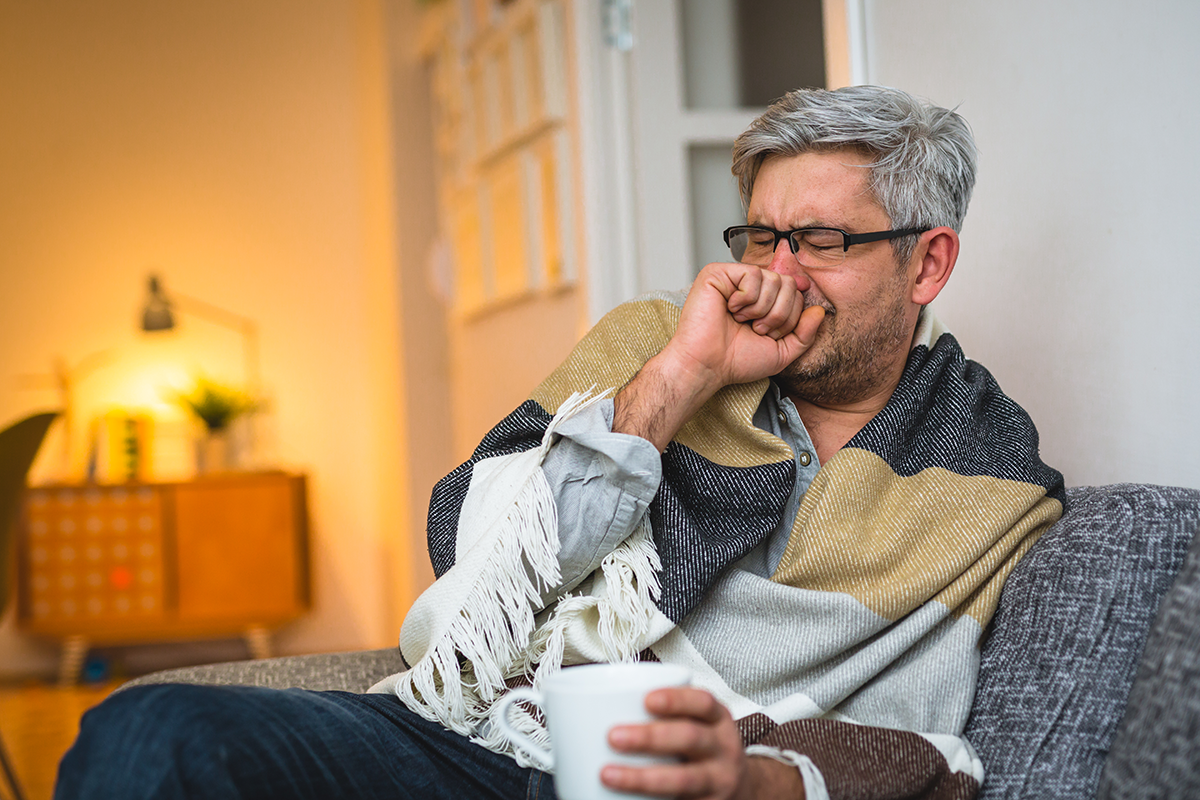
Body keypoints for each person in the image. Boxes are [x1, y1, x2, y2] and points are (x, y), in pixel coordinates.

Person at [56, 86, 1064, 800]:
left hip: (667, 783)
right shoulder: (653, 346)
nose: (781, 273)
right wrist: (681, 379)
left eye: (822, 243)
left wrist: (748, 775)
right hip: (475, 735)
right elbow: (477, 555)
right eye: (761, 237)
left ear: (927, 263)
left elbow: (915, 739)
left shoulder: (984, 479)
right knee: (143, 728)